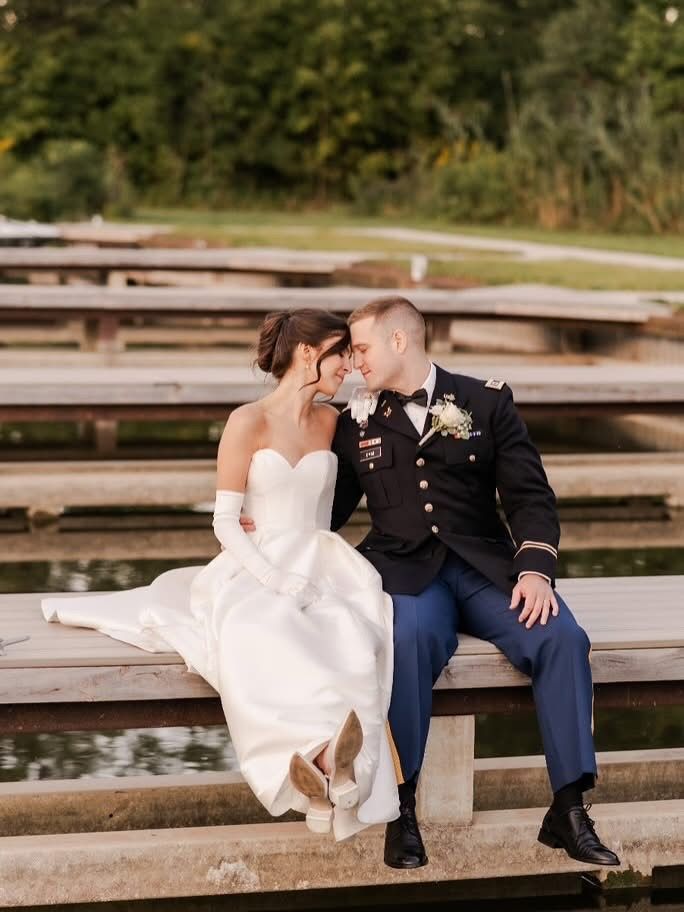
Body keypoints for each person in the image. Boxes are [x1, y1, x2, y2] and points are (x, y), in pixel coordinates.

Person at [41, 308, 400, 842]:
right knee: (258, 630)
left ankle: (330, 770)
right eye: (341, 352)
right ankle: (326, 763)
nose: (348, 364)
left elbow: (388, 460)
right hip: (256, 562)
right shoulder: (246, 422)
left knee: (350, 634)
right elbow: (224, 521)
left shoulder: (337, 422)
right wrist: (275, 577)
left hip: (323, 559)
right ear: (308, 354)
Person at [328, 295, 621, 870]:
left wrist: (536, 568)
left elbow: (531, 497)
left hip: (487, 571)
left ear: (398, 341)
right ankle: (401, 807)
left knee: (561, 637)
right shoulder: (355, 420)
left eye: (360, 346)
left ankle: (569, 807)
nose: (354, 360)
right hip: (406, 573)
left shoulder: (486, 401)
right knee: (408, 642)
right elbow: (330, 508)